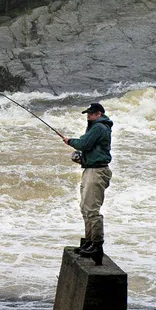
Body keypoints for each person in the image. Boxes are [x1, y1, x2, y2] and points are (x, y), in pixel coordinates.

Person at [62, 102, 113, 263]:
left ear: (99, 114)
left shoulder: (99, 127)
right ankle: (89, 242)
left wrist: (70, 141)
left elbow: (84, 144)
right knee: (85, 207)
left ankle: (96, 245)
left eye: (91, 114)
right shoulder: (97, 126)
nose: (88, 116)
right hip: (90, 170)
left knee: (91, 209)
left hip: (97, 172)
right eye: (88, 114)